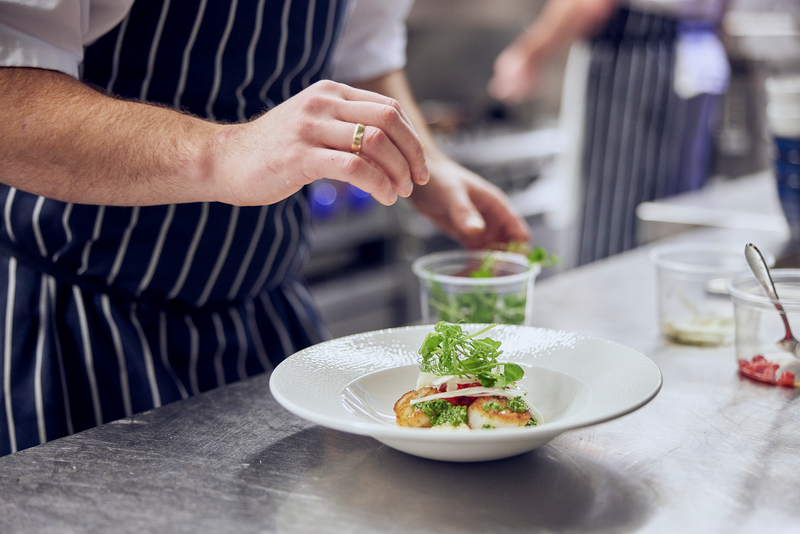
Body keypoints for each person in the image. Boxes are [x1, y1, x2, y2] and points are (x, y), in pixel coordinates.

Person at [0, 0, 530, 455]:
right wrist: (220, 155)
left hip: (269, 319)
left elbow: (363, 55)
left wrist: (427, 169)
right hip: (74, 327)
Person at [489, 0, 730, 265]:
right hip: (698, 47)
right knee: (672, 220)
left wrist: (528, 54)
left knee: (611, 230)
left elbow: (590, 5)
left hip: (635, 55)